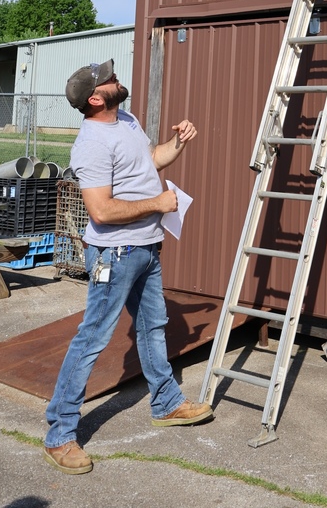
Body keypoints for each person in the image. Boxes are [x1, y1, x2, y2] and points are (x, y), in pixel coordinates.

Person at [43, 58, 212, 475]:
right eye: (110, 80)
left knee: (153, 325)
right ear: (95, 99)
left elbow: (150, 159)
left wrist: (178, 143)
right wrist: (158, 203)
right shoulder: (91, 144)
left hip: (146, 248)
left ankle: (166, 403)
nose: (117, 80)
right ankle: (59, 434)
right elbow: (100, 211)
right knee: (92, 339)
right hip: (113, 255)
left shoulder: (128, 120)